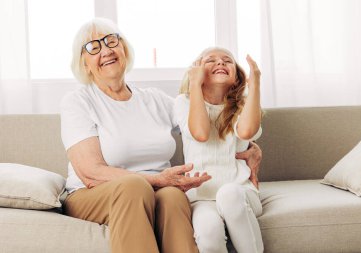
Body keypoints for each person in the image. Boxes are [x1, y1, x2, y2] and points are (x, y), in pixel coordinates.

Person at [61, 17, 262, 253]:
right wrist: (157, 180)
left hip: (153, 190)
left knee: (174, 197)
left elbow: (208, 126)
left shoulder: (155, 100)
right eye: (93, 47)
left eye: (111, 41)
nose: (105, 50)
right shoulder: (78, 101)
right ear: (84, 64)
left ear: (124, 49)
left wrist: (252, 148)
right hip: (92, 195)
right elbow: (90, 173)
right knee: (135, 187)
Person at [174, 47, 264, 253]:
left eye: (227, 61)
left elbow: (247, 131)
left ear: (236, 77)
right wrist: (195, 85)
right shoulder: (183, 102)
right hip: (202, 198)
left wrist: (255, 84)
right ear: (197, 71)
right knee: (208, 232)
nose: (221, 63)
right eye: (210, 60)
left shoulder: (243, 105)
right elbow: (201, 133)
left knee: (228, 193)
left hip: (241, 192)